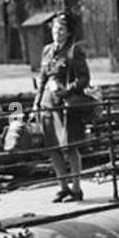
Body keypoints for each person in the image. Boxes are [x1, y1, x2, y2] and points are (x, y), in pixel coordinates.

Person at [33, 11, 90, 202]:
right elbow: (42, 79)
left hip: (65, 106)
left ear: (68, 32)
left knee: (70, 147)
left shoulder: (74, 51)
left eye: (62, 30)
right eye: (56, 29)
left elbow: (84, 78)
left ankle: (76, 188)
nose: (58, 33)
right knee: (53, 148)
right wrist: (36, 103)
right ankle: (62, 186)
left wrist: (66, 90)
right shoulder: (47, 50)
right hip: (48, 106)